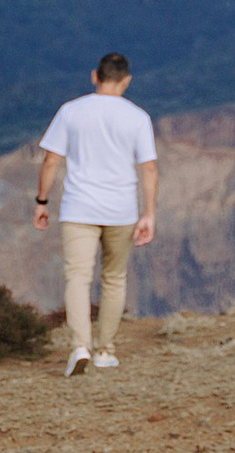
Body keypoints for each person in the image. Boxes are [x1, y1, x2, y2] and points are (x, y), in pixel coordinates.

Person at [34, 51, 160, 375]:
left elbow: (51, 160)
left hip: (79, 208)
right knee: (114, 278)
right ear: (127, 80)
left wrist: (42, 201)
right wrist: (149, 214)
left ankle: (79, 346)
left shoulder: (70, 112)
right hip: (121, 209)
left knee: (77, 276)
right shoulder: (138, 117)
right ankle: (105, 349)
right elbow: (149, 168)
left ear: (95, 76)